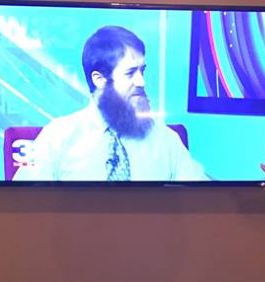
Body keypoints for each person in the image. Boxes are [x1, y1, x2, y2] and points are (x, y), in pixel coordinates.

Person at [12, 25, 207, 182]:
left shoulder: (166, 140)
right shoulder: (55, 138)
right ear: (99, 80)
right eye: (130, 73)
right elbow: (22, 204)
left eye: (142, 71)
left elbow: (201, 202)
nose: (141, 82)